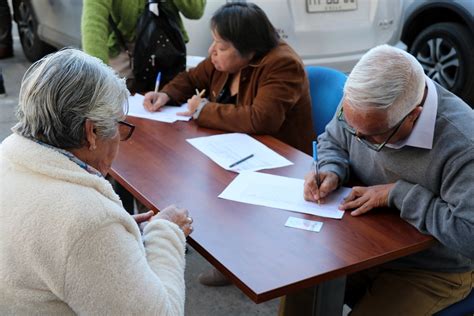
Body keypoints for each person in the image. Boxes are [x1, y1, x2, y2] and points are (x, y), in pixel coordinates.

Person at [280, 45, 474, 315]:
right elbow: (333, 140)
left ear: (413, 116)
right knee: (298, 281)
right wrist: (331, 168)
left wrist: (397, 194)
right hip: (361, 243)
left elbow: (469, 234)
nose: (357, 138)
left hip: (431, 269)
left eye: (371, 136)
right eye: (352, 127)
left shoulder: (464, 144)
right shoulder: (362, 100)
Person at [0, 48, 194, 314]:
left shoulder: (8, 156)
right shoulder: (88, 223)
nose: (118, 136)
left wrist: (117, 235)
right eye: (118, 125)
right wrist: (165, 233)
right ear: (91, 132)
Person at [143, 2, 314, 156]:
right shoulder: (224, 62)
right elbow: (191, 79)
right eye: (214, 41)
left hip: (278, 158)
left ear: (249, 50)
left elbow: (261, 119)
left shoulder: (282, 64)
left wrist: (203, 110)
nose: (211, 50)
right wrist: (166, 94)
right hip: (231, 149)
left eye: (221, 47)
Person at [81, 0, 205, 92]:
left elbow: (195, 11)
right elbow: (94, 20)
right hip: (124, 55)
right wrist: (98, 74)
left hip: (167, 53)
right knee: (120, 112)